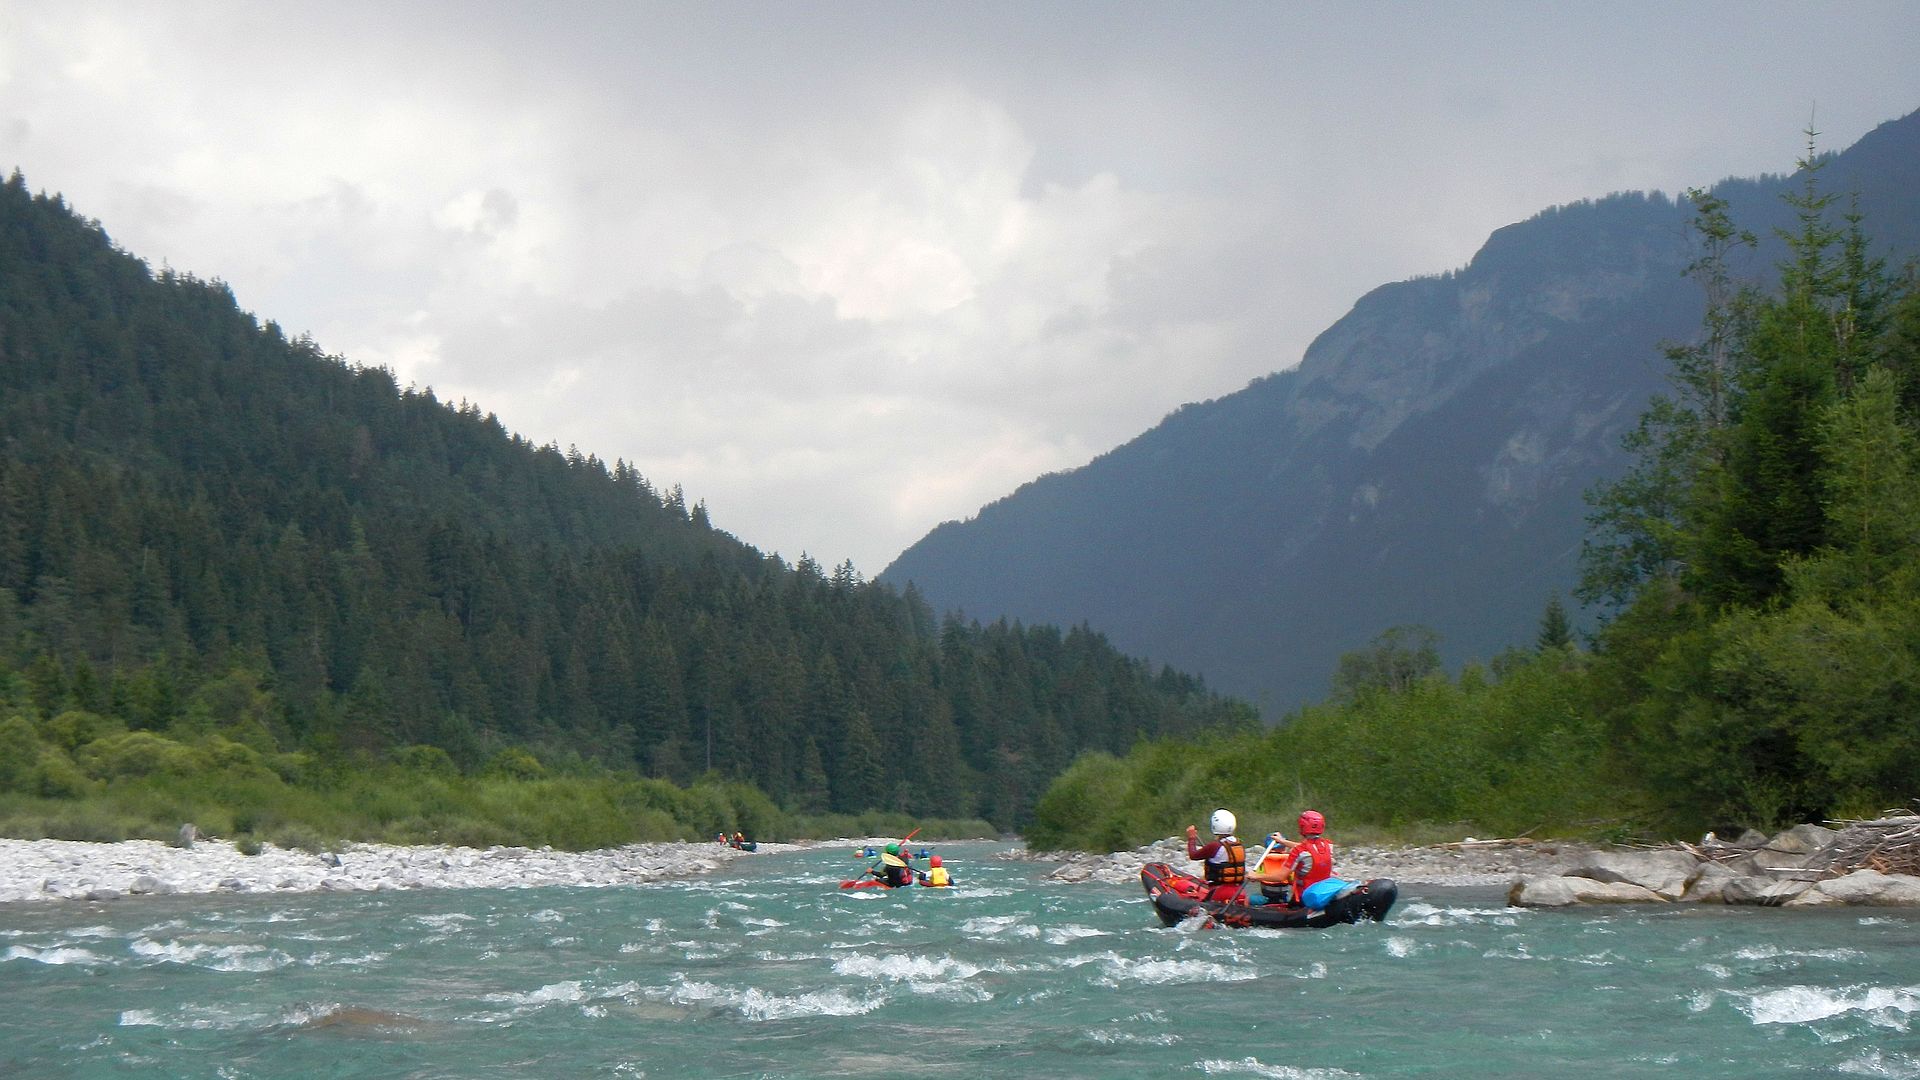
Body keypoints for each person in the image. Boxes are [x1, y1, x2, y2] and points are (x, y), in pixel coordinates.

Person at [1185, 808, 1247, 903]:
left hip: (1219, 891)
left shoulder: (1215, 846)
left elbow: (1193, 855)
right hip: (1238, 891)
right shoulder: (1239, 844)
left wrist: (1191, 838)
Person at [1286, 810, 1334, 906]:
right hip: (1323, 895)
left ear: (1302, 826)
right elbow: (1309, 848)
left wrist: (1255, 876)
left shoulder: (1299, 851)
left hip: (1303, 898)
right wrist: (1282, 841)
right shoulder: (1329, 845)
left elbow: (1280, 876)